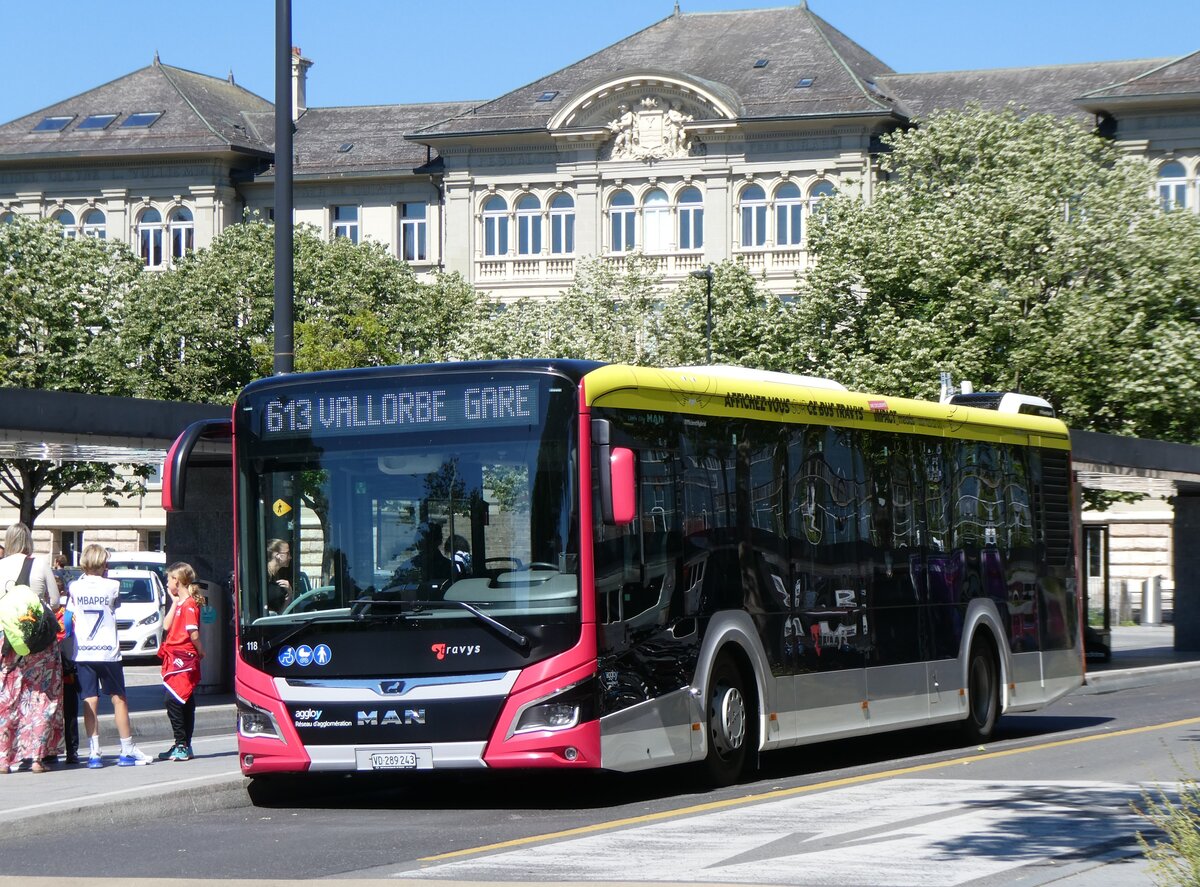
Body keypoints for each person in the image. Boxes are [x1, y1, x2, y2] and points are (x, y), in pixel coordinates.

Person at [65, 543, 151, 767]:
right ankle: (126, 748)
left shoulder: (74, 587)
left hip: (84, 651)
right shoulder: (113, 585)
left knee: (89, 699)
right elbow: (115, 605)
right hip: (108, 651)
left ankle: (94, 752)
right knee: (118, 698)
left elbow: (67, 620)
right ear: (103, 563)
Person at [0, 522, 62, 774]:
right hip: (39, 641)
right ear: (28, 540)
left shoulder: (0, 565)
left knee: (7, 698)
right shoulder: (40, 564)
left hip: (7, 640)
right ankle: (36, 757)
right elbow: (55, 601)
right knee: (42, 696)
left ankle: (3, 759)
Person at [158, 562, 205, 762]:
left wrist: (201, 650)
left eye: (169, 579)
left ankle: (181, 744)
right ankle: (184, 743)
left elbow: (193, 633)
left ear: (176, 580)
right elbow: (166, 625)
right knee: (184, 699)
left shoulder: (190, 605)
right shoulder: (180, 603)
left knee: (173, 699)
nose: (167, 583)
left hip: (183, 658)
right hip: (174, 656)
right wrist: (174, 602)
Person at [266, 538, 292, 612]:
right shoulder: (264, 576)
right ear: (277, 555)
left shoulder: (277, 575)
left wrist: (289, 593)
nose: (290, 557)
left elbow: (282, 612)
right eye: (287, 553)